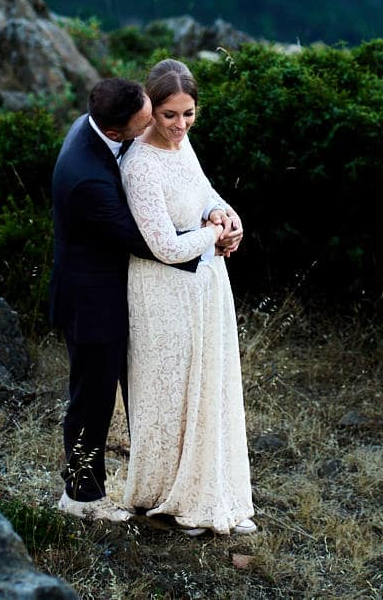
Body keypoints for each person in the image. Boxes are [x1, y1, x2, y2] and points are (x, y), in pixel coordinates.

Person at [49, 77, 204, 523]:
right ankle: (81, 498)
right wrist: (207, 242)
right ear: (117, 132)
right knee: (92, 401)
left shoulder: (96, 123)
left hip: (113, 289)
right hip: (92, 302)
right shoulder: (87, 180)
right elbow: (141, 239)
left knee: (138, 392)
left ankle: (154, 484)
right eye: (147, 121)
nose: (156, 125)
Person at [119, 58, 255, 536]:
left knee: (208, 385)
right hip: (162, 288)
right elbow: (163, 246)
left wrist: (226, 215)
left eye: (189, 114)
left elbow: (204, 191)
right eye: (170, 115)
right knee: (172, 389)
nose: (180, 125)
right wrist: (211, 234)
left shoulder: (183, 145)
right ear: (150, 111)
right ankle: (167, 495)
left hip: (205, 283)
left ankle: (209, 490)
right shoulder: (139, 165)